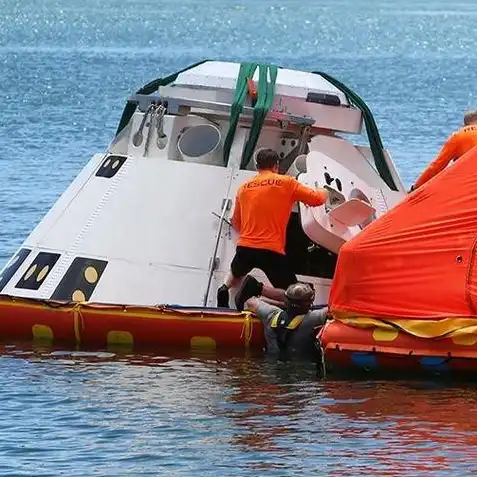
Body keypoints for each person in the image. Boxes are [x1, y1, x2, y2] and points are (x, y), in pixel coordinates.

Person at [216, 148, 328, 308]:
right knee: (294, 294)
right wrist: (326, 192)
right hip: (272, 251)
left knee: (236, 271)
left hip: (246, 246)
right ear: (277, 165)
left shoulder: (244, 188)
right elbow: (317, 199)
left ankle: (224, 288)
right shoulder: (287, 183)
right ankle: (257, 290)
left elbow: (236, 221)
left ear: (257, 166)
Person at [241, 281, 329, 360]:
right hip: (299, 372)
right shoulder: (311, 319)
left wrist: (279, 304)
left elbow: (250, 301)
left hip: (272, 371)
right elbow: (334, 310)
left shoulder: (271, 315)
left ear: (286, 300)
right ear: (309, 304)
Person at [410, 110, 477, 191]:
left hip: (467, 185)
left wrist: (416, 187)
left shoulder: (458, 136)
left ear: (464, 125)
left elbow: (437, 166)